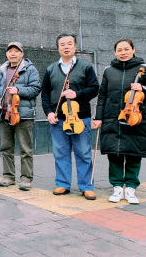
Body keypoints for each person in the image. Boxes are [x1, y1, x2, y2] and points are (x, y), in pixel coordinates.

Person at [93, 39, 146, 204]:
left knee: (133, 154)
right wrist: (98, 117)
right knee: (114, 154)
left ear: (133, 50)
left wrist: (142, 88)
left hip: (135, 118)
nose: (123, 52)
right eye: (119, 50)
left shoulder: (143, 68)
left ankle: (130, 188)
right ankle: (117, 188)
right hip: (112, 118)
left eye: (126, 49)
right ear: (115, 52)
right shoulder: (109, 70)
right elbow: (102, 96)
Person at [41, 33, 99, 200]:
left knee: (84, 152)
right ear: (58, 48)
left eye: (69, 44)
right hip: (58, 118)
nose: (66, 47)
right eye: (62, 44)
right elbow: (45, 93)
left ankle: (86, 186)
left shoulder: (85, 67)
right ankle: (62, 184)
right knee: (60, 152)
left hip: (80, 118)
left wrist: (77, 94)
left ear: (75, 47)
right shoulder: (51, 69)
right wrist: (49, 112)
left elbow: (95, 88)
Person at [0, 42, 41, 191]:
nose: (13, 53)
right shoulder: (2, 70)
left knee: (25, 148)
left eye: (16, 51)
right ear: (6, 54)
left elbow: (36, 89)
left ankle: (26, 179)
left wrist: (18, 90)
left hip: (23, 115)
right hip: (5, 114)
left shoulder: (30, 69)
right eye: (10, 51)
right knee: (5, 148)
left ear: (22, 54)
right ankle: (8, 176)